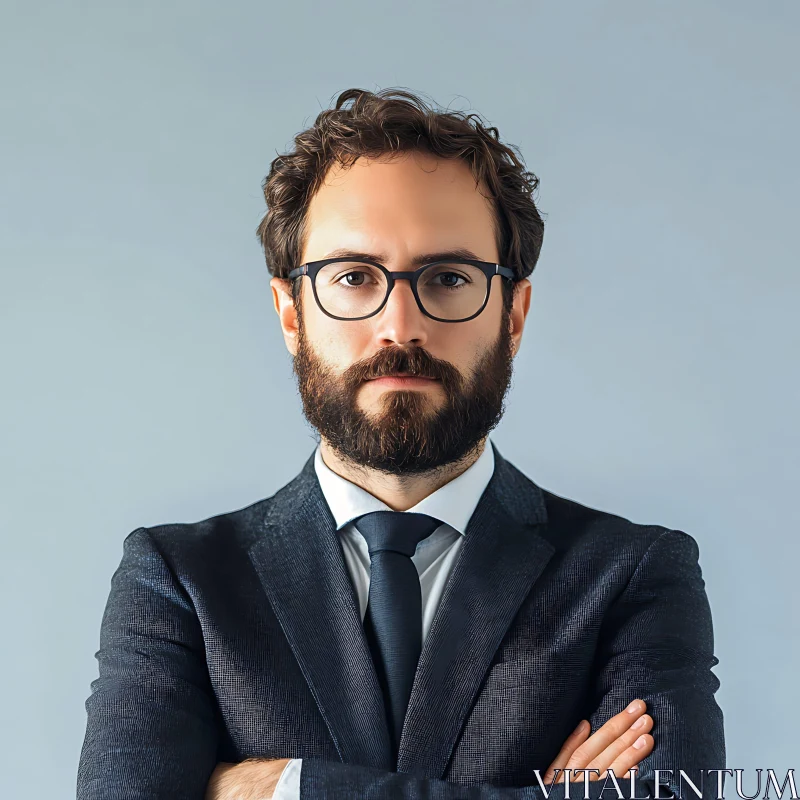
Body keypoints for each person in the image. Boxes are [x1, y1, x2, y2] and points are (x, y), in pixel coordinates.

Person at [77, 88, 725, 800]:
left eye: (448, 279)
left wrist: (291, 787)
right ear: (291, 314)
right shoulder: (179, 581)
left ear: (513, 314)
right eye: (354, 277)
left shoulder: (632, 576)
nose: (400, 326)